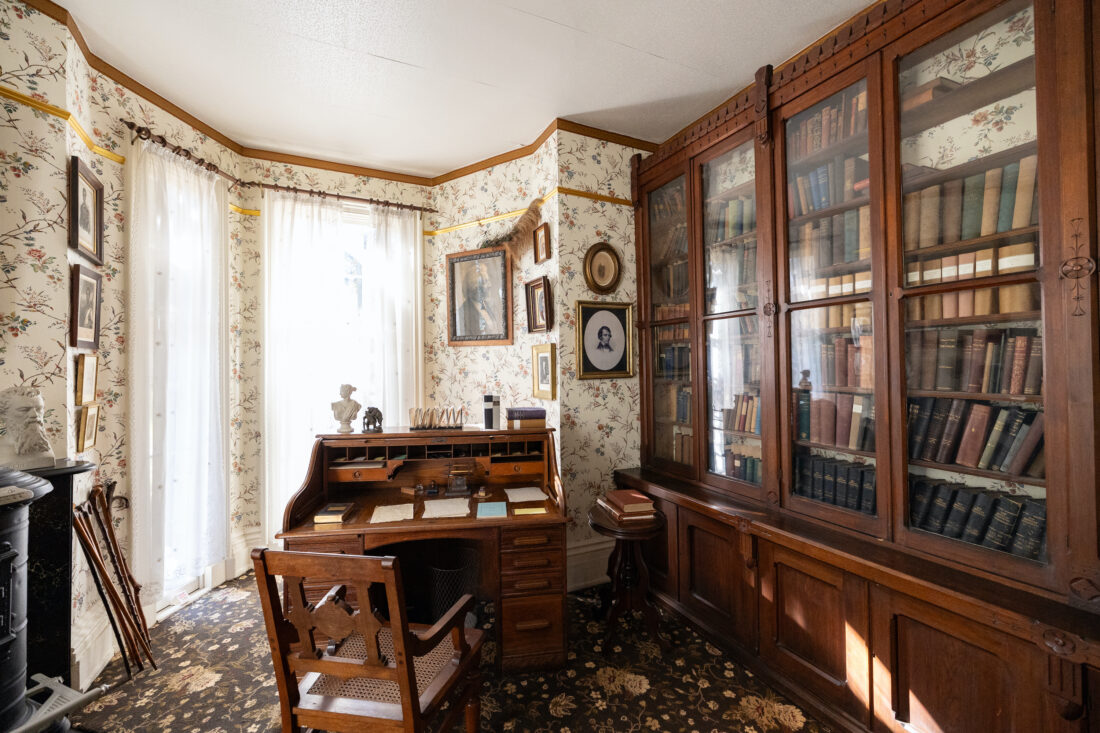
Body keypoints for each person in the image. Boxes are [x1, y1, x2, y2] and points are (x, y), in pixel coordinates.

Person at [0, 385, 54, 468]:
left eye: (39, 409)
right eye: (24, 410)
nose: (35, 415)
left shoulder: (45, 447)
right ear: (3, 415)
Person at [457, 261, 501, 336]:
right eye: (486, 282)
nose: (490, 285)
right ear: (475, 286)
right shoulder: (463, 312)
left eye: (488, 281)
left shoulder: (486, 305)